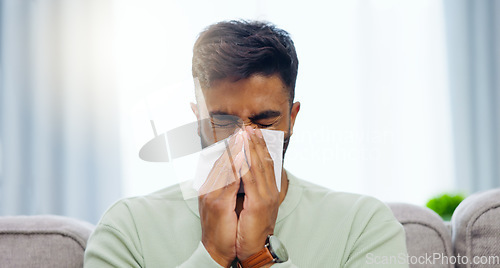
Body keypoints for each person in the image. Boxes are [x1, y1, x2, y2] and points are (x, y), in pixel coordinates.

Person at [84, 20, 408, 268]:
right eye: (222, 122)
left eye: (264, 122)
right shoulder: (127, 229)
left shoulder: (363, 225)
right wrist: (210, 254)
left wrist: (259, 257)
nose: (243, 141)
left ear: (292, 119)